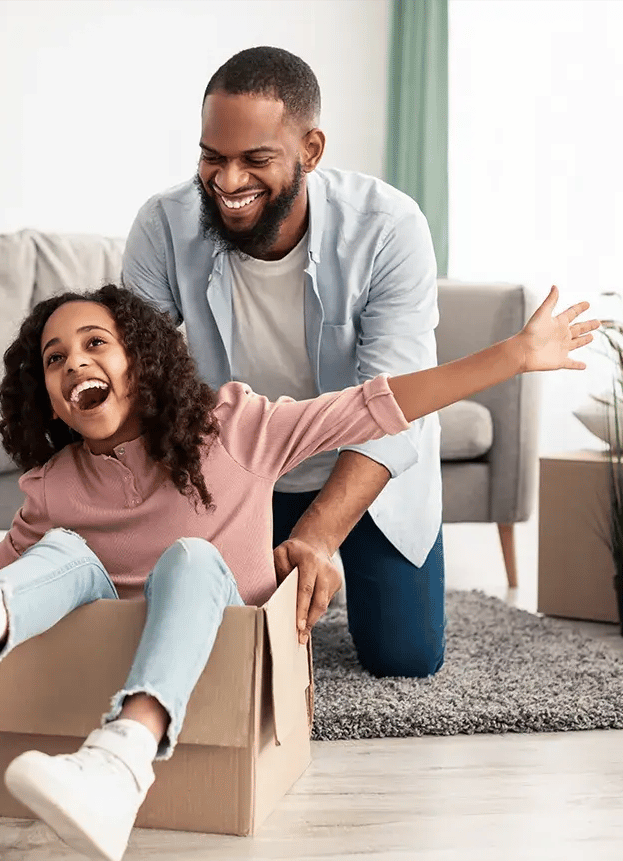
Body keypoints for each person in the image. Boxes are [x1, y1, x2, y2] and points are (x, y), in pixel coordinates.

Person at [0, 282, 596, 861]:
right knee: (61, 554)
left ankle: (122, 760)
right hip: (97, 644)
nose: (73, 364)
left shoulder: (234, 427)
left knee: (190, 557)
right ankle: (84, 741)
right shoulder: (53, 484)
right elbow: (13, 578)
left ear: (142, 359)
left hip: (222, 645)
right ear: (45, 394)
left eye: (95, 344)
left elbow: (373, 408)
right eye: (54, 358)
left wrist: (513, 355)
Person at [122, 46, 452, 677]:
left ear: (312, 150)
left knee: (404, 657)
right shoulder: (163, 225)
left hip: (368, 466)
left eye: (256, 159)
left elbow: (396, 403)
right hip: (241, 470)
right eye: (212, 157)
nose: (227, 181)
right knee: (213, 650)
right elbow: (142, 387)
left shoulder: (388, 228)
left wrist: (321, 532)